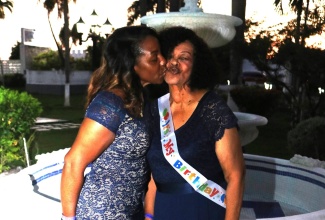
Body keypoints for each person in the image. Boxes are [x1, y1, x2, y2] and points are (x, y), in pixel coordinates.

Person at [60, 26, 166, 220]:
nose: (163, 61)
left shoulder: (142, 100)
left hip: (131, 211)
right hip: (99, 213)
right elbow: (73, 162)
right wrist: (68, 218)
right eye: (154, 57)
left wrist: (148, 213)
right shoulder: (111, 104)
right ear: (131, 63)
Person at [144, 26, 246, 220]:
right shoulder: (152, 110)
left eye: (183, 57)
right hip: (164, 209)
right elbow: (152, 176)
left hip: (203, 209)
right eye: (169, 56)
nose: (174, 63)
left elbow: (236, 175)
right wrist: (149, 215)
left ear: (197, 64)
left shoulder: (213, 109)